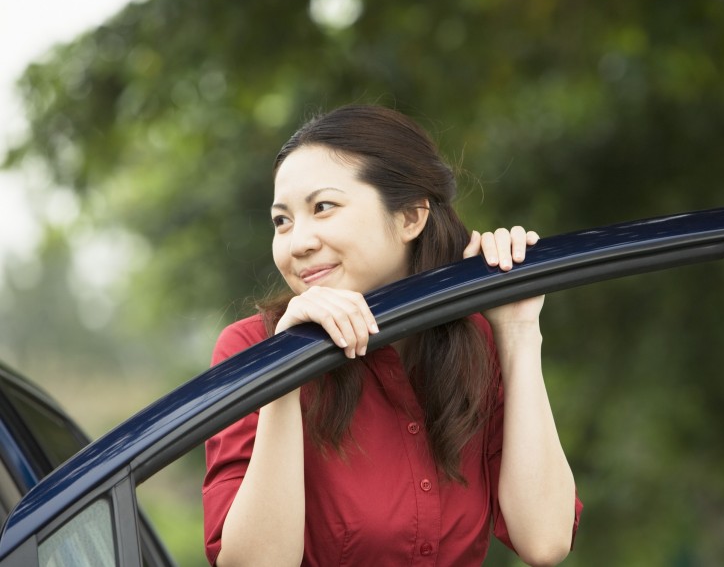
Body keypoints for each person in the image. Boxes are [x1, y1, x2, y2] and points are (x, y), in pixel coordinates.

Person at [202, 104, 581, 567]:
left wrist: (518, 329)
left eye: (323, 207)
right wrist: (283, 371)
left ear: (409, 217)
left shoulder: (472, 343)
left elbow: (545, 541)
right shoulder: (250, 347)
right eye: (282, 220)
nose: (297, 242)